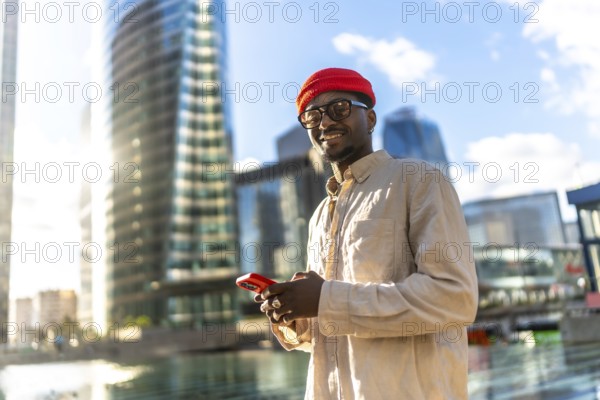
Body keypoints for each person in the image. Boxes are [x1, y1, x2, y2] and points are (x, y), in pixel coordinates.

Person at [255, 67, 478, 399]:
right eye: (312, 117)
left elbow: (453, 298)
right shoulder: (319, 216)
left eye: (339, 109)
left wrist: (325, 299)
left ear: (370, 119)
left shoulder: (418, 181)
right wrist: (295, 317)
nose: (325, 123)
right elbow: (333, 326)